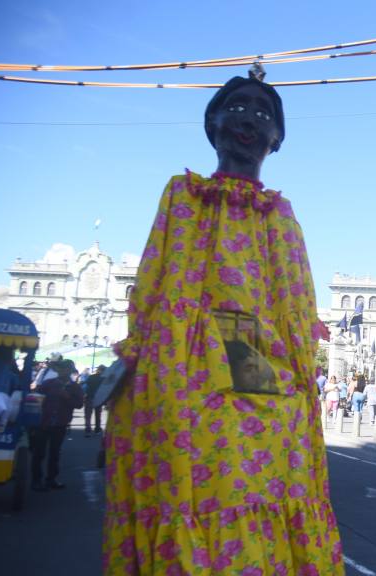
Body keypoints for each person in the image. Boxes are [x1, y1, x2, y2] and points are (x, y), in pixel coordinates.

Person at [103, 71, 342, 575]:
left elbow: (297, 305)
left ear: (277, 138)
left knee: (253, 486)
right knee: (184, 487)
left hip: (254, 362)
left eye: (263, 113)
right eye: (237, 107)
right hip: (179, 368)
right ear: (211, 122)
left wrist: (301, 381)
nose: (249, 119)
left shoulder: (280, 214)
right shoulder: (181, 195)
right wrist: (135, 354)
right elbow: (152, 279)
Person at [31, 359, 84, 491]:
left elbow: (79, 404)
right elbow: (37, 396)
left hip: (60, 423)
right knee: (39, 453)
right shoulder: (49, 383)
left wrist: (67, 397)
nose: (63, 371)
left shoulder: (75, 387)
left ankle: (51, 479)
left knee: (54, 453)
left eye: (65, 368)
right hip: (44, 422)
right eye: (61, 368)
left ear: (70, 371)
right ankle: (36, 480)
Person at [83, 364, 106, 437]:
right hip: (99, 398)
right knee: (98, 414)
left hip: (89, 396)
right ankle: (97, 429)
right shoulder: (104, 378)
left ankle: (88, 429)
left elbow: (85, 386)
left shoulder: (91, 377)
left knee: (88, 415)